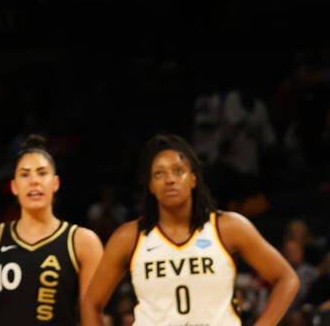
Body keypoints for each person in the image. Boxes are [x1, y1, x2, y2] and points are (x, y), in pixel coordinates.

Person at [80, 134, 299, 326]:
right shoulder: (129, 237)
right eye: (159, 174)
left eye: (178, 171)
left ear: (193, 178)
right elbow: (91, 303)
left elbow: (287, 279)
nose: (170, 180)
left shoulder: (228, 227)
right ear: (150, 185)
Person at [0, 135, 103, 326]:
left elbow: (91, 316)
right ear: (14, 186)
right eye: (25, 174)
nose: (34, 181)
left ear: (56, 183)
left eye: (42, 173)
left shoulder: (83, 241)